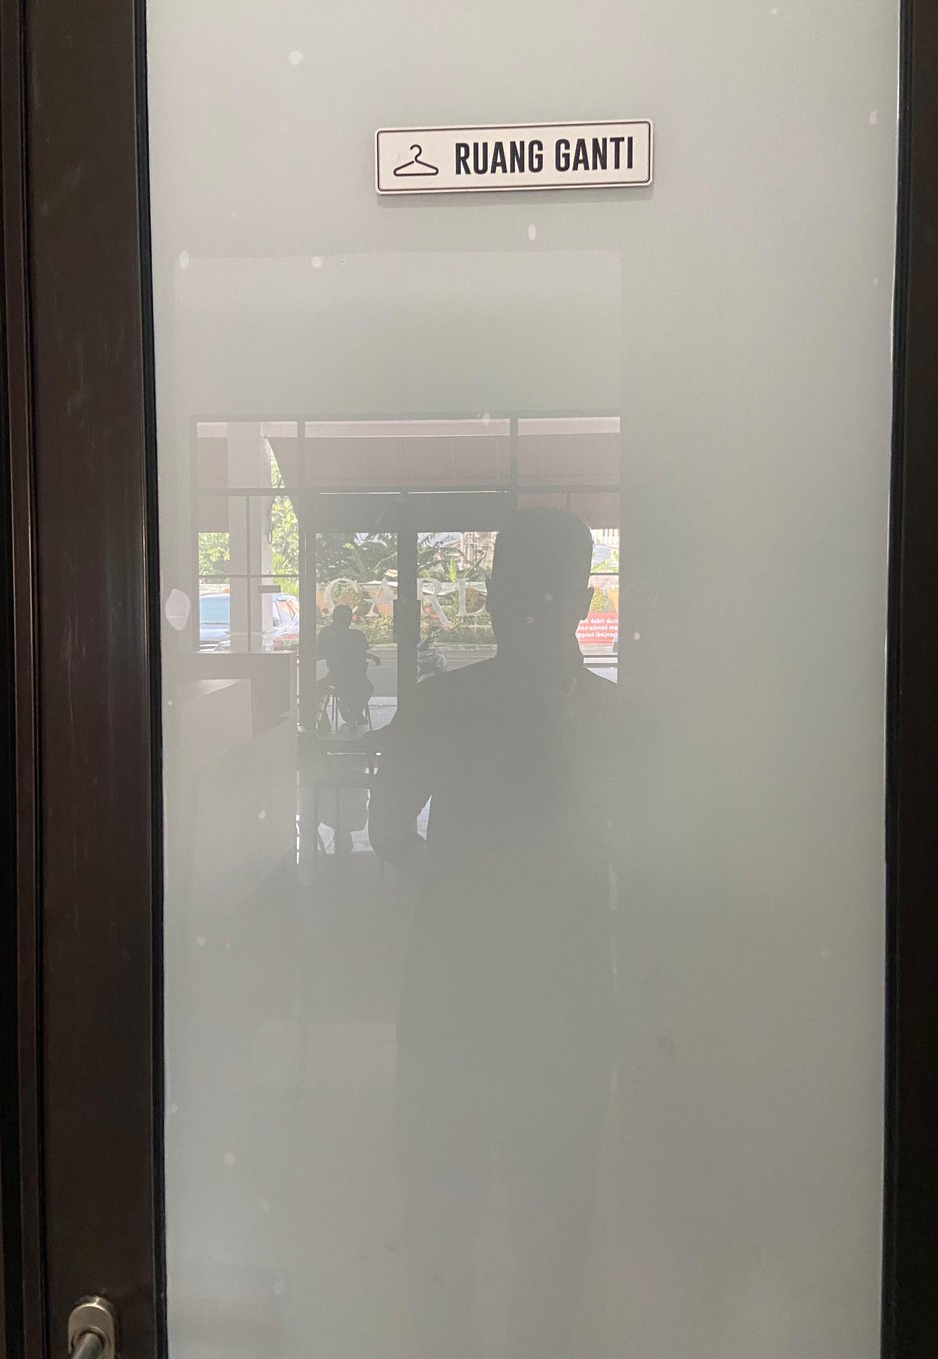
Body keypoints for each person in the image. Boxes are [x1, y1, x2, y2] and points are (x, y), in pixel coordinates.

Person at [370, 508, 620, 1359]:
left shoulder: (445, 705)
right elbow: (654, 871)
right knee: (549, 1229)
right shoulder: (616, 720)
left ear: (489, 594)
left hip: (459, 989)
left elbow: (386, 830)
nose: (534, 608)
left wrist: (459, 888)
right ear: (583, 599)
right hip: (561, 999)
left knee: (447, 1220)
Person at [316, 602, 380, 729]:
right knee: (367, 689)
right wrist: (372, 657)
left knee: (315, 690)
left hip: (335, 677)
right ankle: (354, 715)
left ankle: (323, 721)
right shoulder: (357, 635)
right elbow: (360, 654)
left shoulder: (326, 633)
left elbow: (320, 653)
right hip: (356, 677)